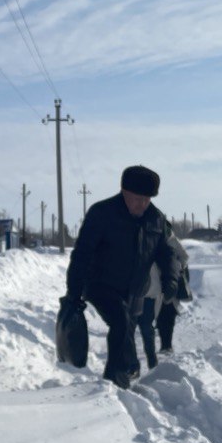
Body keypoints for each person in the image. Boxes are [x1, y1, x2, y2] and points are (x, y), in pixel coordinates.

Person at [62, 165, 177, 389]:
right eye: (137, 198)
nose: (142, 204)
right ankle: (113, 382)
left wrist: (171, 278)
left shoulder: (155, 219)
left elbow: (167, 252)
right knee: (121, 321)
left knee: (125, 330)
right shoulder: (102, 213)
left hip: (135, 289)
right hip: (100, 284)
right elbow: (82, 254)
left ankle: (126, 369)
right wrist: (73, 294)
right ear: (123, 191)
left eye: (147, 199)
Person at [138, 232, 190, 367]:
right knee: (154, 317)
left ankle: (166, 346)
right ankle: (155, 350)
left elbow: (184, 257)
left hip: (169, 284)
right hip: (153, 284)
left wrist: (174, 268)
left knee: (168, 314)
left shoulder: (171, 239)